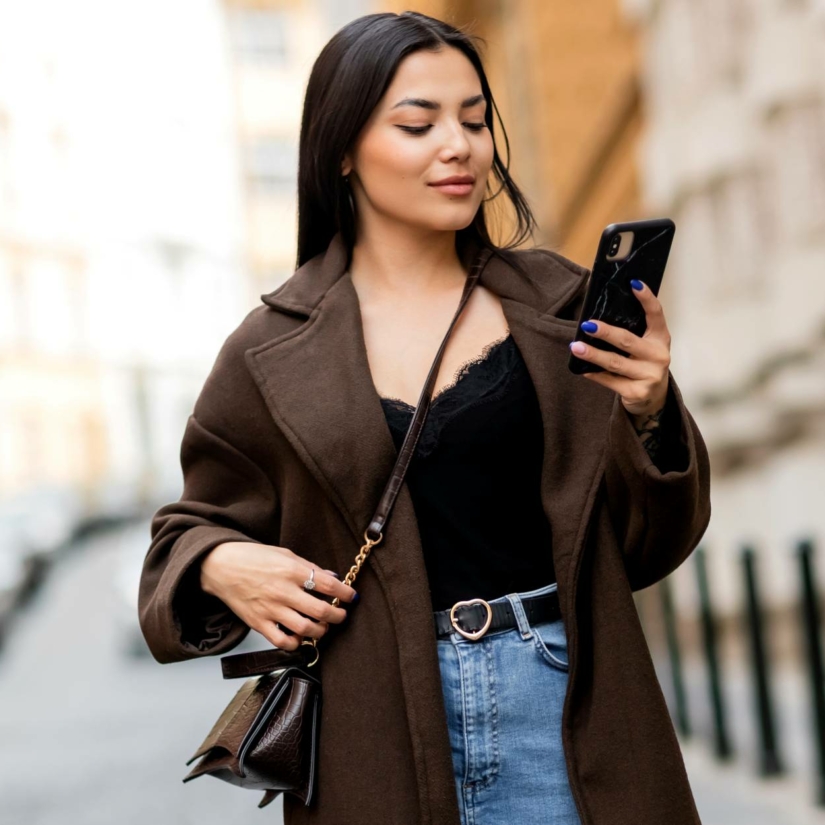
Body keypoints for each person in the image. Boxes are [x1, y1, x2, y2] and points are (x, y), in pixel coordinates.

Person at [138, 11, 711, 825]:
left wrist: (650, 410)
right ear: (342, 148)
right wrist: (222, 561)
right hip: (374, 733)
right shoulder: (268, 351)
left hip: (565, 702)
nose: (459, 146)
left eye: (475, 120)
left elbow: (650, 543)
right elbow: (181, 537)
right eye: (419, 122)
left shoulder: (558, 309)